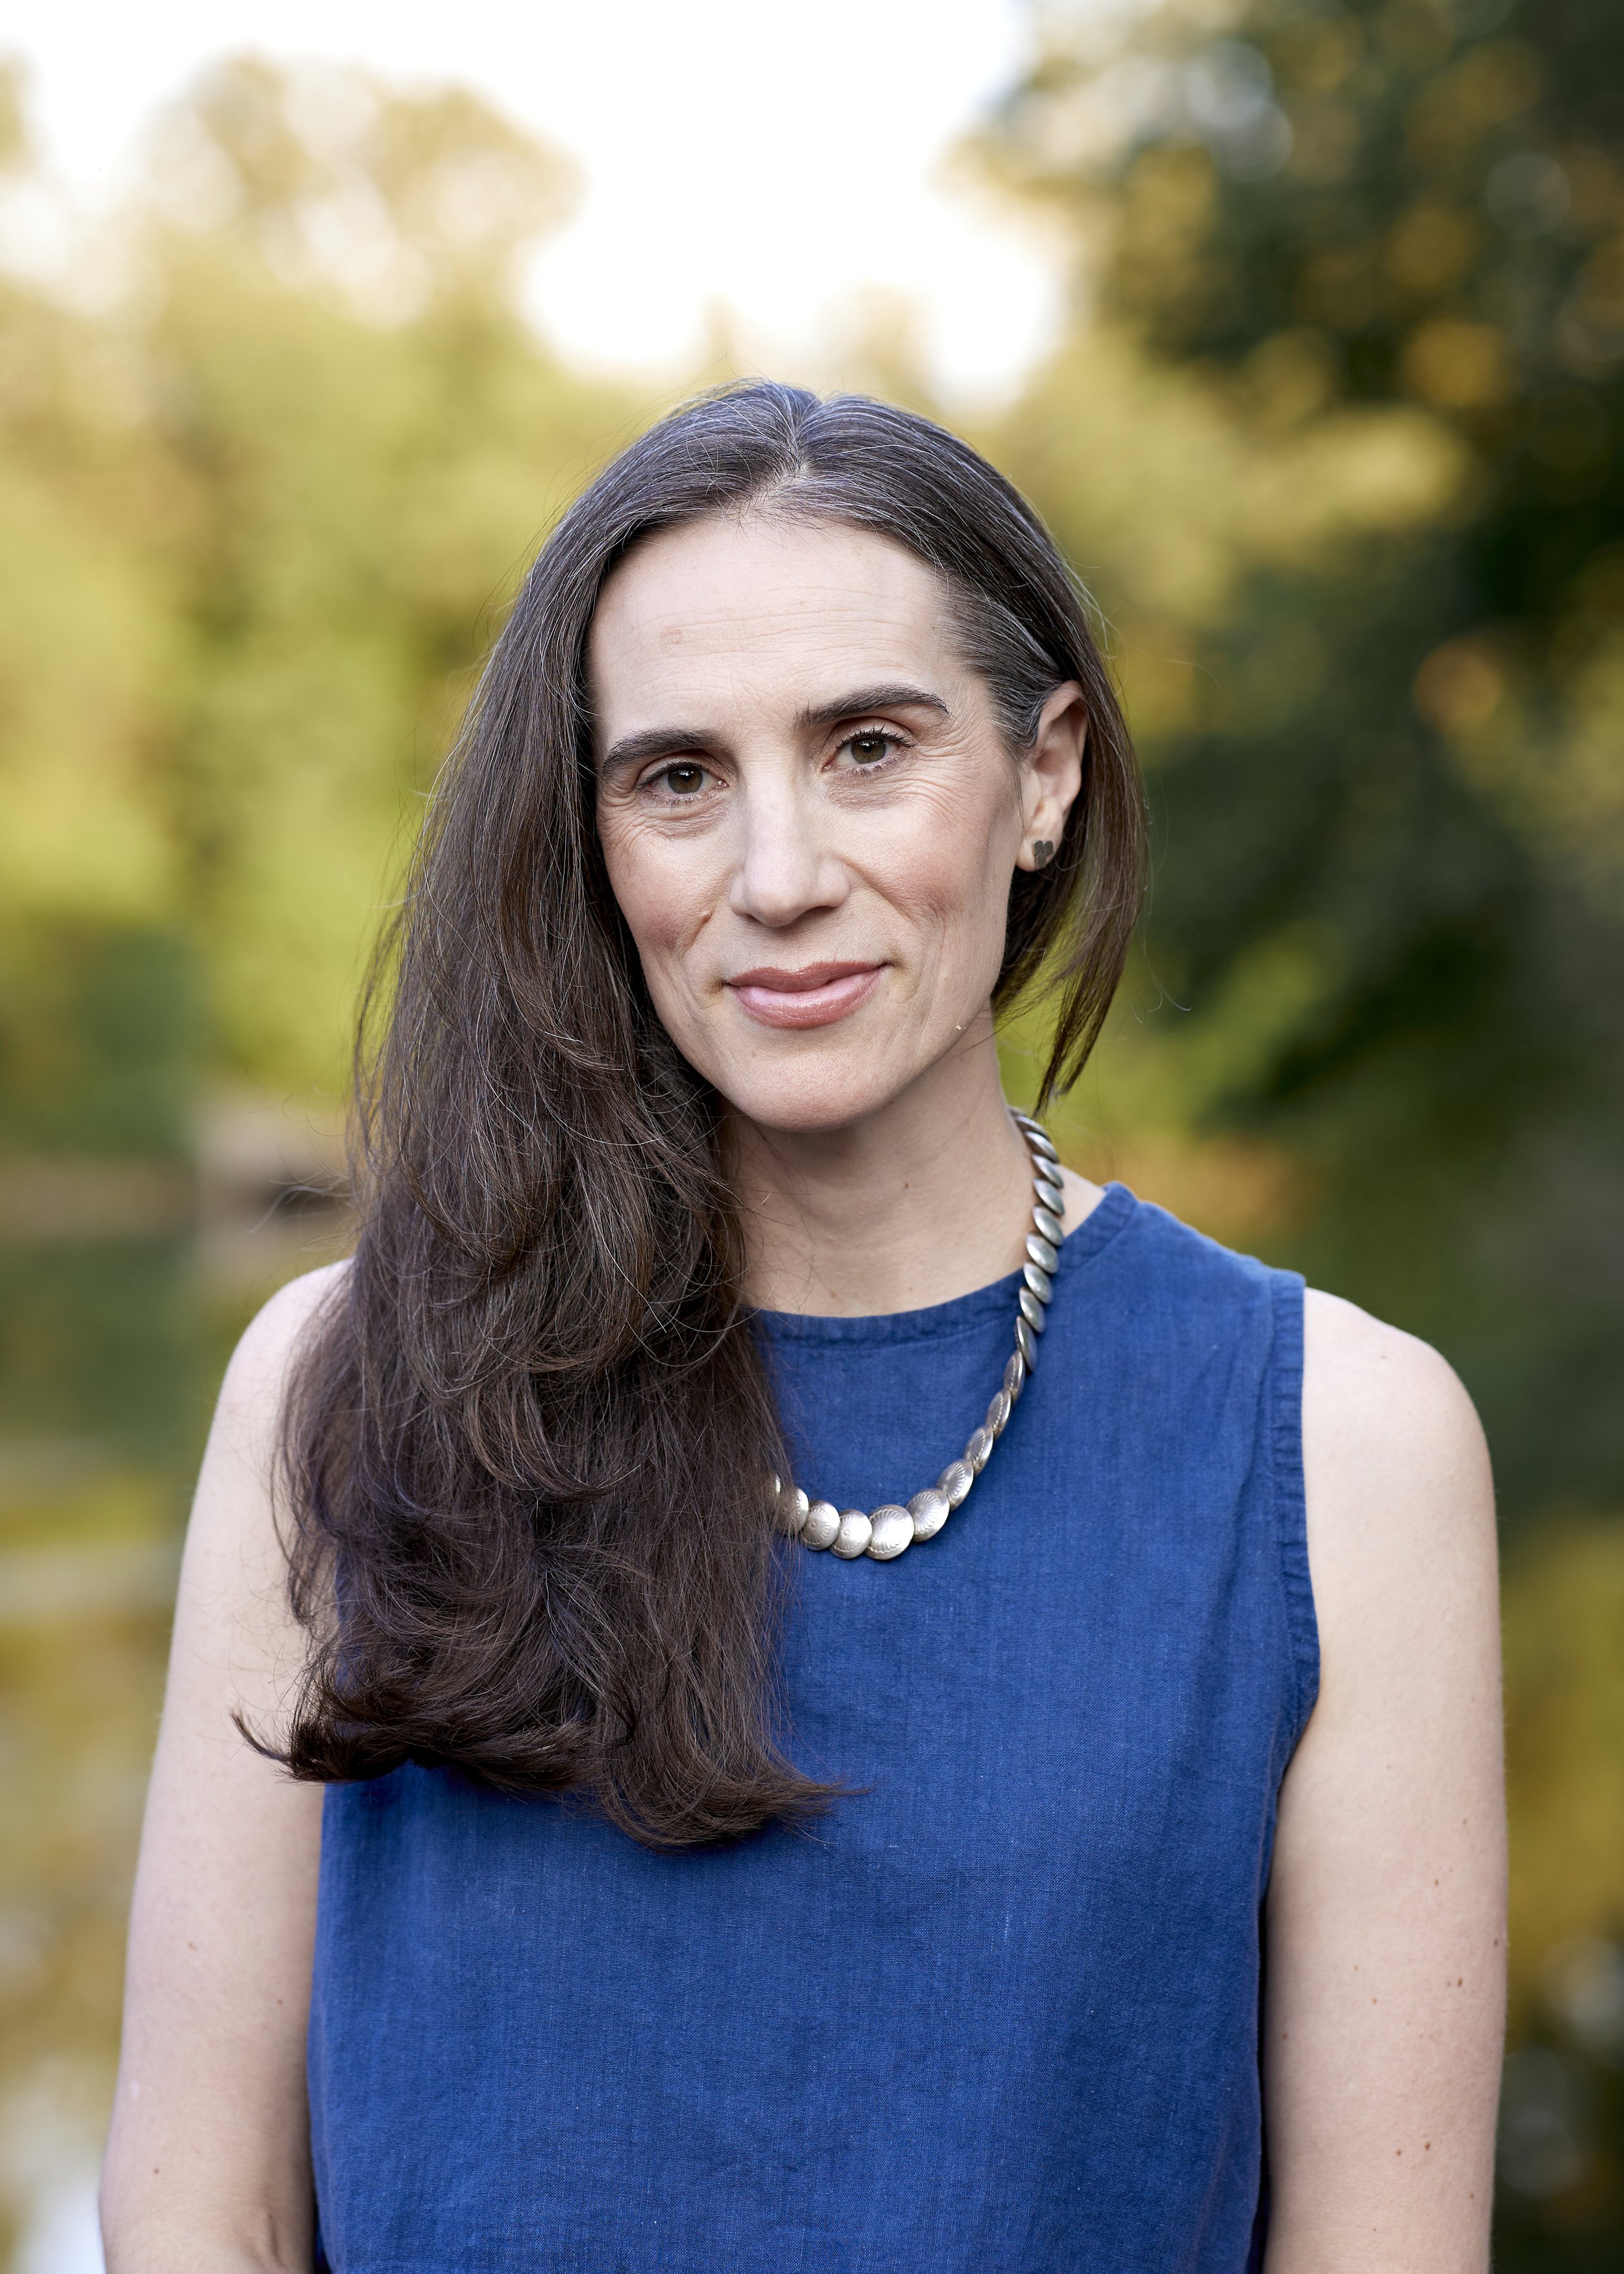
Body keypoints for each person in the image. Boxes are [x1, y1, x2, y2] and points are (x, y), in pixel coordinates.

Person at [101, 384, 1505, 2274]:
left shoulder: (1343, 1448)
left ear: (1044, 775)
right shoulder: (343, 1388)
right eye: (678, 777)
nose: (776, 878)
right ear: (592, 835)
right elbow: (205, 2214)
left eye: (868, 748)